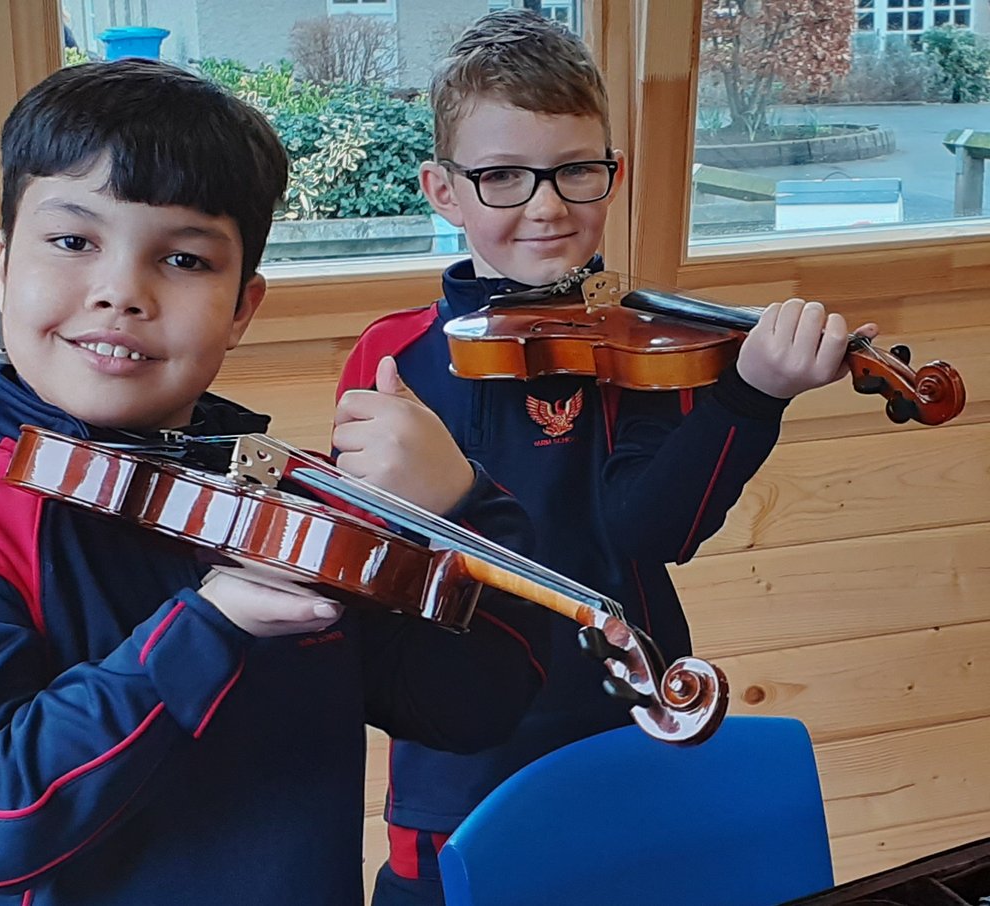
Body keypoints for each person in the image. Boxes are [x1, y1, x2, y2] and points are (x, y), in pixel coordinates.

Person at [0, 59, 547, 906]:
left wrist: (463, 510)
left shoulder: (280, 514)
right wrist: (208, 627)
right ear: (6, 264)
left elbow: (472, 707)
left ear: (242, 309)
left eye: (186, 259)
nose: (122, 291)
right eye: (74, 241)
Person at [335, 11, 878, 905]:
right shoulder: (397, 356)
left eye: (575, 172)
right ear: (443, 190)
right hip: (461, 743)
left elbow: (655, 525)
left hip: (627, 708)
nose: (545, 204)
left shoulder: (647, 345)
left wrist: (750, 394)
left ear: (612, 176)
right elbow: (367, 566)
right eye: (502, 176)